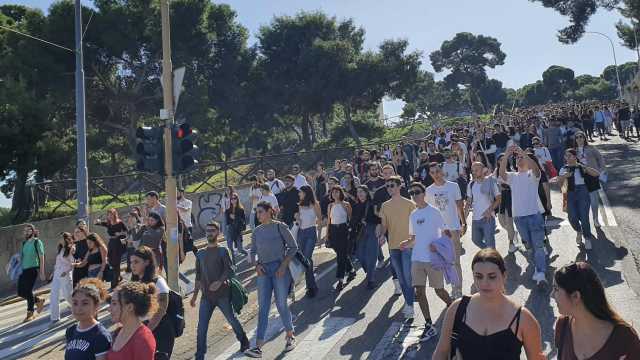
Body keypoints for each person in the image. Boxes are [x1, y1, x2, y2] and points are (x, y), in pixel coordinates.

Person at [433, 248, 545, 360]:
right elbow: (441, 352)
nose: (484, 283)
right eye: (478, 276)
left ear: (504, 276)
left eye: (492, 277)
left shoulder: (523, 319)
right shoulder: (457, 309)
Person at [553, 261, 640, 359]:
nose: (552, 295)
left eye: (556, 289)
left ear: (575, 296)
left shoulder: (624, 338)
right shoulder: (562, 325)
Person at [245, 201, 298, 358]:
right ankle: (258, 347)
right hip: (263, 271)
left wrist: (283, 265)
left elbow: (293, 247)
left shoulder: (280, 227)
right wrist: (256, 265)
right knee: (264, 308)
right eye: (257, 212)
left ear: (270, 211)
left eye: (261, 211)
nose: (258, 214)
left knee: (281, 304)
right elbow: (253, 251)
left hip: (280, 269)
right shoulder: (256, 231)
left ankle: (290, 336)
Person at [401, 182, 452, 342]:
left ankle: (454, 306)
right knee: (419, 292)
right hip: (417, 259)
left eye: (417, 192)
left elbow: (447, 234)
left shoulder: (434, 212)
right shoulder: (413, 215)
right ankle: (429, 324)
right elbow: (414, 238)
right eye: (412, 193)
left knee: (439, 291)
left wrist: (437, 245)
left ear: (424, 193)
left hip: (433, 259)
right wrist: (406, 244)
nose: (414, 195)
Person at [191, 221, 250, 359]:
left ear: (218, 232)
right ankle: (200, 355)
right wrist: (194, 297)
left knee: (232, 320)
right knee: (201, 328)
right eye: (207, 231)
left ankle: (243, 340)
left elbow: (229, 271)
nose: (209, 233)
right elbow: (198, 276)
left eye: (212, 230)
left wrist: (219, 282)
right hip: (206, 297)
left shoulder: (223, 251)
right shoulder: (200, 254)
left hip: (223, 295)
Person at [499, 145, 548, 285]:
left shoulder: (532, 175)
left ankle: (541, 273)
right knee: (529, 246)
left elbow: (537, 169)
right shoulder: (512, 177)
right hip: (519, 218)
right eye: (518, 158)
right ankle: (537, 268)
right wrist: (507, 154)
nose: (520, 159)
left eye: (522, 158)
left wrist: (523, 153)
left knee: (538, 245)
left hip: (534, 215)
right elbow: (501, 173)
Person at [379, 176, 417, 319]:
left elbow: (416, 225)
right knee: (401, 278)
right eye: (387, 186)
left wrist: (413, 241)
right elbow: (384, 225)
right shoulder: (385, 205)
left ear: (399, 186)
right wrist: (382, 235)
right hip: (393, 246)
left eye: (392, 185)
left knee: (407, 277)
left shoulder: (409, 204)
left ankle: (409, 305)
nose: (389, 188)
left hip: (407, 245)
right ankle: (409, 302)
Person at [426, 164, 465, 298]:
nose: (436, 174)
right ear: (430, 174)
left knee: (456, 261)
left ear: (442, 172)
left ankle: (458, 289)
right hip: (438, 233)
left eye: (437, 171)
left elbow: (460, 205)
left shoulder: (453, 186)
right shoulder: (428, 191)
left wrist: (463, 223)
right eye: (432, 172)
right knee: (445, 263)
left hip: (453, 228)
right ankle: (453, 285)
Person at [129, 246, 175, 359]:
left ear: (147, 262)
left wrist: (147, 331)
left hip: (160, 330)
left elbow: (161, 310)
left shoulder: (158, 281)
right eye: (131, 262)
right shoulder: (133, 283)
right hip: (141, 329)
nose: (132, 265)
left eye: (136, 262)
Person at [558, 149, 600, 250]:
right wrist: (564, 177)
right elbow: (560, 186)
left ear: (575, 156)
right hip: (570, 193)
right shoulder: (564, 168)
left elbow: (596, 174)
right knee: (572, 217)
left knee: (584, 216)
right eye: (566, 156)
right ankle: (579, 231)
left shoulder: (581, 166)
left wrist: (584, 167)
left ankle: (587, 238)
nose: (567, 158)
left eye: (570, 156)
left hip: (583, 192)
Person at [107, 281, 157, 360]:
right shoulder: (118, 331)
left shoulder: (143, 340)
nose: (109, 309)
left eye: (114, 303)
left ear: (129, 307)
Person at [65, 278, 111, 360]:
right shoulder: (70, 331)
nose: (79, 308)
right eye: (75, 303)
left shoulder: (101, 336)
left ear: (96, 306)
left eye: (85, 303)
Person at [467, 162, 501, 250]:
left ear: (483, 170)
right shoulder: (471, 185)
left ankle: (493, 259)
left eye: (476, 170)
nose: (474, 172)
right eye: (473, 171)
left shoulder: (491, 182)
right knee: (475, 240)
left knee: (490, 243)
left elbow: (498, 199)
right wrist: (463, 221)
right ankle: (491, 253)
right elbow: (468, 202)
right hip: (475, 219)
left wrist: (489, 211)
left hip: (488, 218)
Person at [574, 131, 605, 229]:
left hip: (591, 176)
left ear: (584, 138)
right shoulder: (573, 151)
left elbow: (600, 158)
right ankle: (584, 221)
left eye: (581, 137)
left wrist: (600, 170)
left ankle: (595, 219)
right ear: (575, 140)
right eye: (577, 137)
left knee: (594, 200)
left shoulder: (591, 148)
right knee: (582, 201)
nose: (579, 139)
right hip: (579, 178)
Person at [294, 185, 321, 297]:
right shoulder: (299, 205)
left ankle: (311, 286)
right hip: (301, 233)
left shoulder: (315, 204)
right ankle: (311, 285)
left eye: (300, 192)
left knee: (306, 259)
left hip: (311, 232)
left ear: (306, 193)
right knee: (305, 260)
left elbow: (319, 220)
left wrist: (319, 238)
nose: (299, 194)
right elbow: (299, 221)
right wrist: (297, 218)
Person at [17, 223, 46, 322]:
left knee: (28, 290)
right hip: (23, 270)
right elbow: (22, 257)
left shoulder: (37, 242)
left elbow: (42, 257)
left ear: (33, 231)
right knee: (20, 292)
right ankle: (38, 300)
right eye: (25, 230)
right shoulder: (24, 243)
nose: (27, 232)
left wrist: (42, 272)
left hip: (33, 269)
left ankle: (30, 313)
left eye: (29, 230)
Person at [327, 186, 355, 291]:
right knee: (341, 254)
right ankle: (351, 270)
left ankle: (340, 280)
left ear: (340, 193)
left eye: (337, 192)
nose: (335, 194)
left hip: (343, 229)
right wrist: (327, 236)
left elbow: (351, 219)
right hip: (333, 231)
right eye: (333, 192)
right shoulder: (330, 205)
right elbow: (329, 222)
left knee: (340, 257)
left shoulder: (346, 204)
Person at [353, 185, 380, 289]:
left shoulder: (372, 204)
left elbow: (379, 218)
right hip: (360, 232)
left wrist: (378, 228)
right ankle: (369, 272)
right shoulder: (356, 205)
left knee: (372, 256)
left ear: (366, 193)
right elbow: (353, 220)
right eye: (358, 192)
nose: (360, 194)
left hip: (372, 230)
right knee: (359, 254)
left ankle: (371, 279)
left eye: (362, 192)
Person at [95, 209, 128, 289]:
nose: (109, 216)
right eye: (108, 214)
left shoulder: (120, 222)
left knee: (116, 263)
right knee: (111, 261)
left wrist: (120, 233)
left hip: (118, 243)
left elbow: (127, 231)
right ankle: (118, 277)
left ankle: (114, 283)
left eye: (111, 214)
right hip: (111, 243)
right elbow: (96, 223)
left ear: (114, 214)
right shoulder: (108, 223)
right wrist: (97, 219)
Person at [495, 154, 519, 254]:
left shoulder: (512, 171)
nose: (502, 162)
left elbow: (516, 185)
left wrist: (507, 186)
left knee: (509, 221)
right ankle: (513, 233)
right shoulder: (496, 171)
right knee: (501, 220)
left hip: (510, 197)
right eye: (500, 160)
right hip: (500, 198)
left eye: (503, 160)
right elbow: (492, 182)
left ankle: (511, 243)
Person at [50, 232, 75, 322]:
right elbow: (57, 263)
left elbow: (73, 263)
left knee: (67, 295)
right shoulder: (60, 249)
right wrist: (53, 273)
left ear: (66, 239)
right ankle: (54, 317)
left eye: (61, 238)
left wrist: (66, 271)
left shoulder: (71, 248)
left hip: (65, 274)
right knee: (54, 295)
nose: (59, 240)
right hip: (57, 273)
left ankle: (76, 308)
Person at [225, 191, 247, 258]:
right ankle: (233, 263)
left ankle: (249, 253)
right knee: (230, 247)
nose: (233, 200)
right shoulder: (228, 210)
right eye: (232, 199)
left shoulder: (241, 209)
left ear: (237, 199)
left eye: (235, 198)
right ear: (230, 200)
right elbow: (227, 222)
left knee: (240, 249)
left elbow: (243, 220)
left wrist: (235, 217)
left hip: (238, 230)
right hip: (230, 229)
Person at [176, 188, 194, 256]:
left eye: (177, 193)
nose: (176, 195)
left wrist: (177, 206)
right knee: (181, 245)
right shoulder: (175, 203)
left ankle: (198, 257)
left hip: (187, 226)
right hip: (179, 227)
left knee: (190, 243)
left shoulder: (188, 202)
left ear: (182, 193)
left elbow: (185, 210)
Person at [125, 207, 144, 272]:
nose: (129, 218)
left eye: (131, 217)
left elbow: (136, 239)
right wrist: (126, 240)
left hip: (137, 249)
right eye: (129, 217)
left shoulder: (139, 226)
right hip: (130, 248)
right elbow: (129, 236)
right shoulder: (130, 226)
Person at [73, 221, 90, 289]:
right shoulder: (77, 243)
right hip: (79, 267)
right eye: (80, 226)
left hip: (88, 267)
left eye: (84, 225)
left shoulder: (90, 239)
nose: (83, 227)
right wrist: (75, 256)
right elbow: (76, 256)